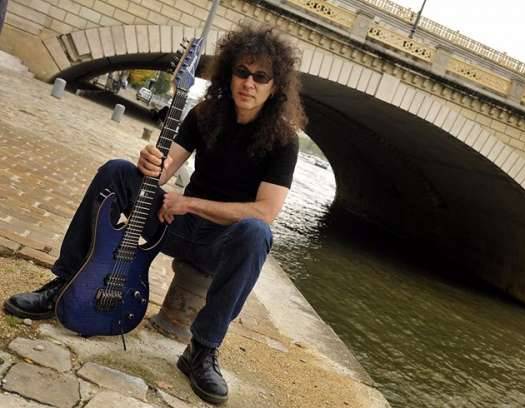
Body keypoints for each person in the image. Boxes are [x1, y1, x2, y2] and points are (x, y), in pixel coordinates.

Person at [3, 24, 307, 405]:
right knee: (116, 172)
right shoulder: (205, 113)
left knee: (257, 234)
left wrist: (190, 203)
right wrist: (151, 164)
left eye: (260, 77)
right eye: (242, 72)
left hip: (221, 242)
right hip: (173, 224)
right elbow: (165, 168)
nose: (249, 83)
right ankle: (63, 285)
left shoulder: (283, 140)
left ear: (275, 86)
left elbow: (266, 210)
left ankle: (202, 349)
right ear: (229, 74)